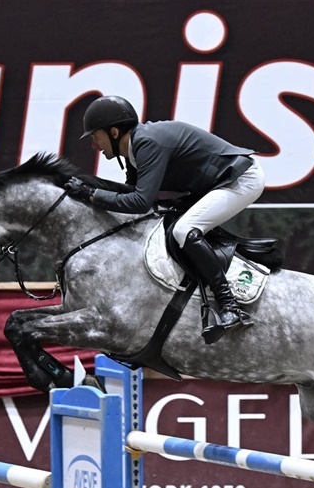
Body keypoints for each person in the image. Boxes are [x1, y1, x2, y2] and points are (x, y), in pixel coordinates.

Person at [65, 95, 264, 341]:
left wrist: (92, 195)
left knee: (184, 230)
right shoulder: (134, 149)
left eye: (95, 136)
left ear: (114, 132)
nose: (94, 144)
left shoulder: (146, 143)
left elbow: (140, 202)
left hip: (240, 179)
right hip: (217, 182)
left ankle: (230, 306)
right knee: (173, 226)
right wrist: (90, 190)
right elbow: (130, 193)